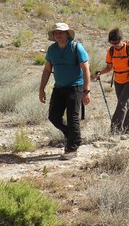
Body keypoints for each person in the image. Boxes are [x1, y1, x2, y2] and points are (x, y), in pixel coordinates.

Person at [39, 22, 91, 160]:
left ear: (67, 34)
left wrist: (87, 91)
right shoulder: (52, 50)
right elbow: (47, 70)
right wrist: (41, 89)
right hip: (59, 87)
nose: (58, 35)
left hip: (75, 87)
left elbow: (86, 69)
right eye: (56, 33)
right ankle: (73, 136)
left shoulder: (76, 47)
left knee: (72, 117)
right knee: (53, 116)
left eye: (61, 32)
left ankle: (72, 147)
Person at [94, 28, 129, 135]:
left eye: (116, 42)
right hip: (118, 81)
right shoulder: (111, 51)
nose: (114, 44)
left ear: (121, 39)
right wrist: (100, 72)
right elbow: (109, 67)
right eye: (112, 42)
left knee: (122, 104)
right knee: (125, 105)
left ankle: (114, 130)